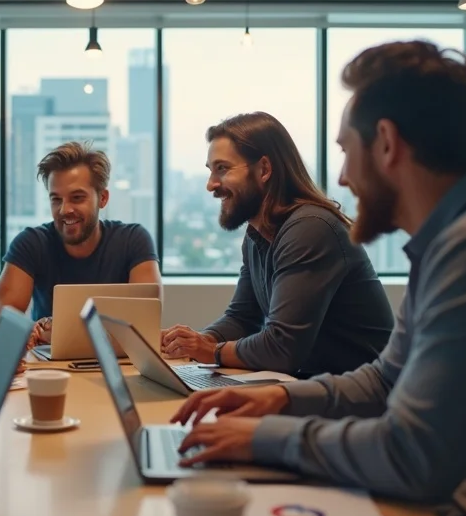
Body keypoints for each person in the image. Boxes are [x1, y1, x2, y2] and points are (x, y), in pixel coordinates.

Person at [171, 41, 466, 516]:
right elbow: (386, 379)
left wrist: (264, 437)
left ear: (386, 144)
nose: (342, 177)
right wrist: (278, 401)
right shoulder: (459, 235)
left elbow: (412, 458)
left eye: (346, 150)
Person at [161, 112, 394, 377]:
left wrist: (210, 351)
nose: (211, 184)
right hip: (312, 388)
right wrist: (193, 342)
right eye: (211, 170)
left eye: (222, 169)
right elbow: (242, 318)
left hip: (360, 400)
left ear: (264, 170)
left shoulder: (311, 228)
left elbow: (282, 347)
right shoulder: (256, 235)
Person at [0, 141, 161, 344]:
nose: (64, 210)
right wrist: (28, 331)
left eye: (77, 198)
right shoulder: (31, 243)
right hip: (49, 366)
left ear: (103, 198)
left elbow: (147, 321)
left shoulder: (133, 240)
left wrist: (56, 333)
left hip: (120, 363)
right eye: (56, 199)